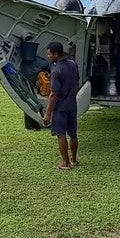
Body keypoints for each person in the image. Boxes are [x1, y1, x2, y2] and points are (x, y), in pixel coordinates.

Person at [42, 41, 79, 169]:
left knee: (61, 134)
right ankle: (74, 159)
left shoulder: (56, 71)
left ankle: (65, 163)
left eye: (49, 54)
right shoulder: (73, 64)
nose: (48, 57)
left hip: (61, 107)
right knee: (73, 134)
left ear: (56, 55)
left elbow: (53, 94)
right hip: (72, 104)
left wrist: (47, 114)